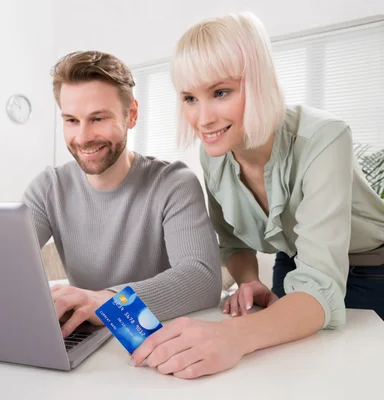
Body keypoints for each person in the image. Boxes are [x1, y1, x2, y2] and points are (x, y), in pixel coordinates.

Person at [131, 12, 384, 379]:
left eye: (221, 92)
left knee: (348, 375)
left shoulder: (325, 137)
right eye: (189, 97)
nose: (202, 119)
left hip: (373, 271)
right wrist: (248, 280)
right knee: (280, 374)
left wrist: (230, 337)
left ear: (260, 82)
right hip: (295, 265)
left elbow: (322, 289)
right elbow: (233, 244)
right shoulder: (214, 153)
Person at [23, 50, 222, 338]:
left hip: (159, 339)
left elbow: (202, 280)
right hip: (86, 338)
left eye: (98, 119)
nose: (82, 137)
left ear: (131, 115)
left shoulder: (174, 183)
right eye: (71, 121)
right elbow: (0, 263)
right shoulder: (48, 188)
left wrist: (107, 303)